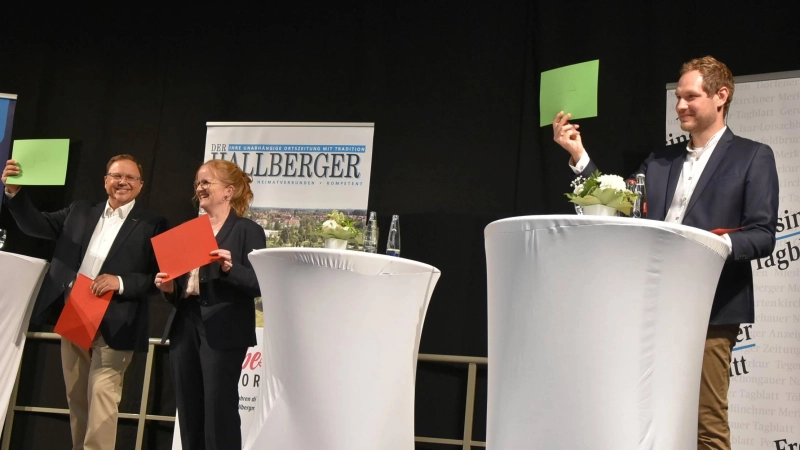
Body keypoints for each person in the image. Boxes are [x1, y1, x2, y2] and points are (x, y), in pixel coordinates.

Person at [553, 56, 779, 450]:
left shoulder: (753, 156)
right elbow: (618, 204)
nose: (680, 106)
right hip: (649, 308)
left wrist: (709, 246)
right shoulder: (659, 161)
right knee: (645, 415)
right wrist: (578, 155)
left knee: (706, 422)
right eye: (678, 97)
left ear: (721, 96)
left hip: (711, 309)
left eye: (691, 96)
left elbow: (761, 235)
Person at [1, 154, 167, 450]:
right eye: (117, 175)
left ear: (140, 185)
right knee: (77, 401)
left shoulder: (153, 223)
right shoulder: (80, 210)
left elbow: (159, 276)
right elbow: (36, 225)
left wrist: (121, 282)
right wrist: (14, 192)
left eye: (130, 178)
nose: (123, 182)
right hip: (75, 312)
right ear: (105, 181)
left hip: (117, 320)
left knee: (103, 397)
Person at [155, 159, 266, 450]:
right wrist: (168, 288)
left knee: (219, 410)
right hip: (185, 323)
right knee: (189, 412)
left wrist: (231, 268)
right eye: (197, 183)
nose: (200, 188)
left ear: (228, 191)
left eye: (206, 182)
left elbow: (259, 283)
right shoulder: (189, 230)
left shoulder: (246, 231)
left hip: (222, 327)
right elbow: (183, 287)